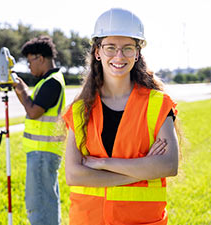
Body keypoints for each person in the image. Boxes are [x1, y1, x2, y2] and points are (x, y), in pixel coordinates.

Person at [62, 8, 179, 225]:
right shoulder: (79, 110)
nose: (119, 56)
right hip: (87, 220)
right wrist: (142, 171)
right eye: (110, 48)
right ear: (98, 52)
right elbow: (74, 175)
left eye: (127, 48)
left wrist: (102, 163)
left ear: (137, 53)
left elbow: (168, 165)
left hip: (141, 220)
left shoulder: (157, 103)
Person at [12, 35, 66, 225]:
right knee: (47, 202)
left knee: (40, 205)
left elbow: (34, 111)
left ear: (40, 58)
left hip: (43, 153)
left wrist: (20, 91)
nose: (29, 66)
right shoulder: (49, 81)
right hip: (43, 152)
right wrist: (23, 90)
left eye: (29, 61)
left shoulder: (52, 83)